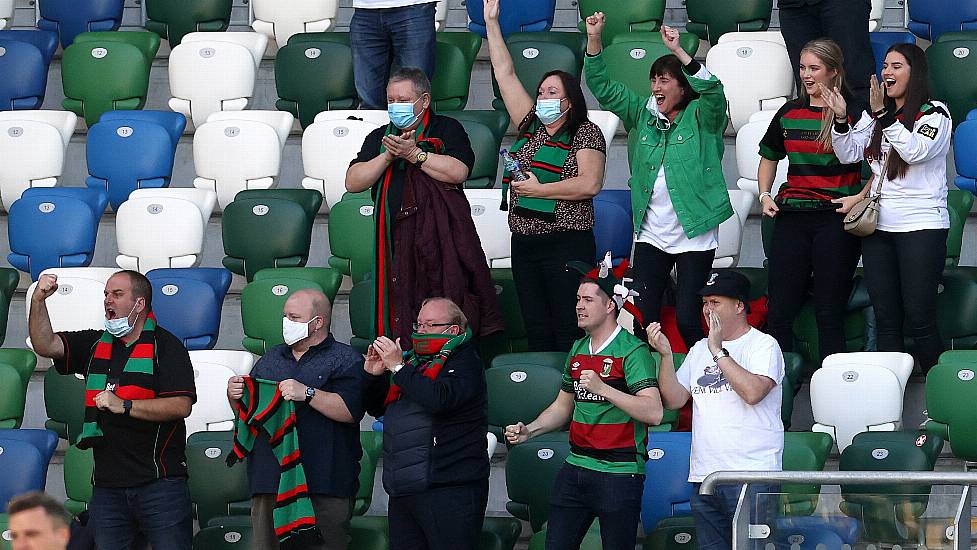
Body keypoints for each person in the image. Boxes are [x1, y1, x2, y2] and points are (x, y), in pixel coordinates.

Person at [584, 12, 734, 351]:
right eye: (654, 80)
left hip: (694, 231)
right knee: (641, 316)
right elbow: (603, 88)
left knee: (686, 317)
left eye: (665, 80)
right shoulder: (642, 113)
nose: (656, 87)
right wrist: (594, 39)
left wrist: (681, 52)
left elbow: (713, 91)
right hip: (652, 231)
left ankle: (709, 374)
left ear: (683, 87)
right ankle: (647, 387)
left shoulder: (704, 117)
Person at [28, 271, 196, 550]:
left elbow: (181, 405)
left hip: (159, 485)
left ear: (139, 304)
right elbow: (46, 345)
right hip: (108, 488)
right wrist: (37, 300)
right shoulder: (96, 344)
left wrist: (125, 405)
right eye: (106, 294)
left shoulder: (167, 347)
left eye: (117, 295)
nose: (108, 301)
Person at [504, 255, 662, 550]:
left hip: (619, 473)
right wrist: (531, 430)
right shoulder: (578, 348)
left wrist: (606, 389)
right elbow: (563, 406)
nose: (579, 305)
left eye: (588, 300)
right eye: (578, 299)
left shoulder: (633, 351)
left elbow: (653, 412)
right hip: (575, 467)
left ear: (610, 305)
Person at [346, 67, 504, 347]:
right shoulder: (380, 137)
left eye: (403, 100)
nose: (396, 107)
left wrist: (415, 154)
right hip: (393, 242)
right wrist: (388, 157)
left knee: (443, 304)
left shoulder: (447, 129)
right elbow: (353, 181)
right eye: (391, 100)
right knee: (399, 309)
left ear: (425, 100)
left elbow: (458, 172)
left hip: (439, 244)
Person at [483, 0, 607, 352]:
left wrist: (539, 191)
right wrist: (492, 22)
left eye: (553, 93)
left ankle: (572, 400)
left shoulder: (585, 133)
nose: (543, 98)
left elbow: (590, 184)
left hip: (566, 244)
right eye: (541, 92)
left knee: (568, 326)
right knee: (535, 327)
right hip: (524, 245)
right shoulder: (531, 126)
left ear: (570, 101)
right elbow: (505, 73)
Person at [824, 43, 952, 372]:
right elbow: (849, 152)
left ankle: (938, 400)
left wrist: (884, 116)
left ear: (916, 72)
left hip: (921, 226)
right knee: (886, 318)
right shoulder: (877, 115)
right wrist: (840, 119)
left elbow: (916, 152)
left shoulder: (936, 113)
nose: (887, 72)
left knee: (920, 318)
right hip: (879, 227)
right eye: (885, 66)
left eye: (897, 66)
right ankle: (890, 401)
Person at [648, 270, 785, 550]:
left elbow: (752, 392)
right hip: (705, 474)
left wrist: (718, 350)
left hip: (751, 474)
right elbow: (674, 399)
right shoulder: (699, 349)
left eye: (715, 302)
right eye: (705, 303)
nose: (707, 310)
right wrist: (665, 355)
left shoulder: (764, 345)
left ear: (739, 305)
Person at [226, 289, 364, 550]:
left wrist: (307, 392)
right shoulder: (270, 360)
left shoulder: (346, 359)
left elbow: (350, 411)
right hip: (270, 480)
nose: (286, 322)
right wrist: (235, 397)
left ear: (318, 322)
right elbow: (252, 415)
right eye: (284, 316)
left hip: (323, 481)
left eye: (294, 317)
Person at [758, 39, 863, 362]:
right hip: (792, 217)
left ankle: (834, 390)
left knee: (829, 311)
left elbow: (881, 164)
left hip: (834, 218)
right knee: (780, 309)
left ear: (833, 71)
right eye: (802, 68)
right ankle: (779, 383)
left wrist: (858, 198)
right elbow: (768, 156)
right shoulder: (790, 111)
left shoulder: (855, 112)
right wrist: (764, 194)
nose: (806, 75)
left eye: (814, 68)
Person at [362, 297, 489, 550]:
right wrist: (373, 375)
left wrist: (398, 367)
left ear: (452, 330)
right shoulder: (412, 361)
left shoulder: (465, 360)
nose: (420, 331)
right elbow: (377, 408)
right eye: (418, 325)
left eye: (429, 325)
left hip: (449, 486)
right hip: (405, 484)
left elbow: (438, 399)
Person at [777, 0, 875, 116]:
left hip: (844, 5)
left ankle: (861, 127)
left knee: (853, 76)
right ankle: (811, 131)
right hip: (794, 6)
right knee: (807, 81)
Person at [350, 0, 437, 110]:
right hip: (364, 9)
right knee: (369, 99)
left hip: (414, 6)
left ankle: (417, 127)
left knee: (414, 94)